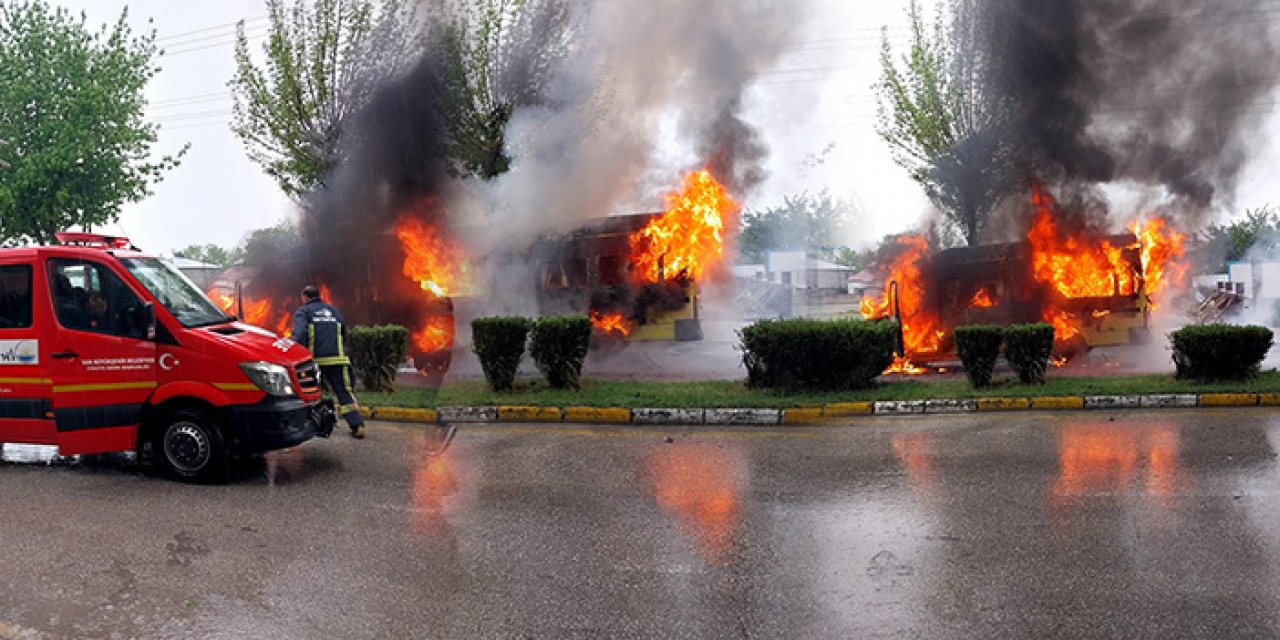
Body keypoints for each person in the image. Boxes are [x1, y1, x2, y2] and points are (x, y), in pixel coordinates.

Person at [291, 285, 366, 438]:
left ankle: (306, 426)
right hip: (338, 359)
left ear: (305, 298)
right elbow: (344, 333)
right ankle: (357, 426)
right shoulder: (335, 311)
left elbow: (299, 335)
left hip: (315, 361)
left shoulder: (304, 312)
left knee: (308, 392)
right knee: (344, 391)